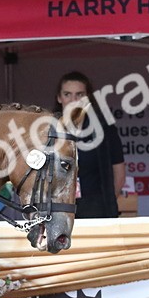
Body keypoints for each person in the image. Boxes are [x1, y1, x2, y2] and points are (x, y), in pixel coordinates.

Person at [54, 71, 125, 219]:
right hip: (58, 210)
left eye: (79, 95)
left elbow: (119, 172)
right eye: (67, 94)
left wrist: (107, 202)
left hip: (97, 209)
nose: (73, 100)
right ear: (59, 98)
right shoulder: (48, 131)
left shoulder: (104, 129)